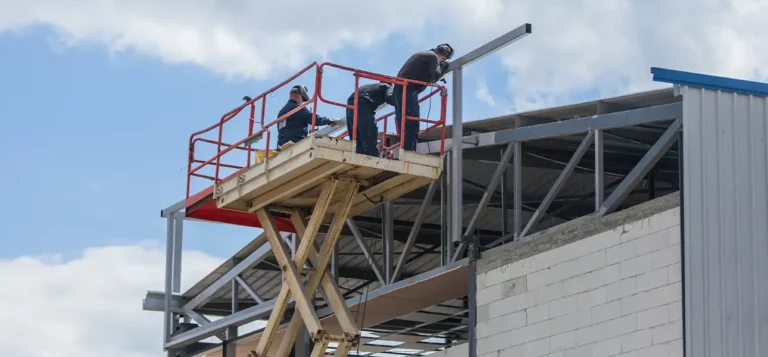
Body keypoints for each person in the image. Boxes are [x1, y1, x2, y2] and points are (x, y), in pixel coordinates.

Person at [393, 43, 454, 151]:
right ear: (444, 57)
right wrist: (444, 65)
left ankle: (404, 147)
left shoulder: (425, 54)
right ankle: (409, 150)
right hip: (408, 87)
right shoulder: (433, 57)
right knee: (412, 120)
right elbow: (435, 76)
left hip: (401, 87)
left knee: (404, 119)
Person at [276, 85, 337, 150]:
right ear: (300, 96)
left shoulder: (281, 112)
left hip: (281, 145)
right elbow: (313, 119)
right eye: (302, 100)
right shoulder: (298, 108)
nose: (302, 102)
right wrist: (329, 120)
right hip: (295, 142)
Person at [346, 82, 395, 157]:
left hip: (351, 102)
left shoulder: (371, 86)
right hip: (364, 102)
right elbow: (389, 97)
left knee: (356, 136)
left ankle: (358, 156)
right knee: (369, 134)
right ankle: (374, 159)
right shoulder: (387, 87)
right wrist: (401, 103)